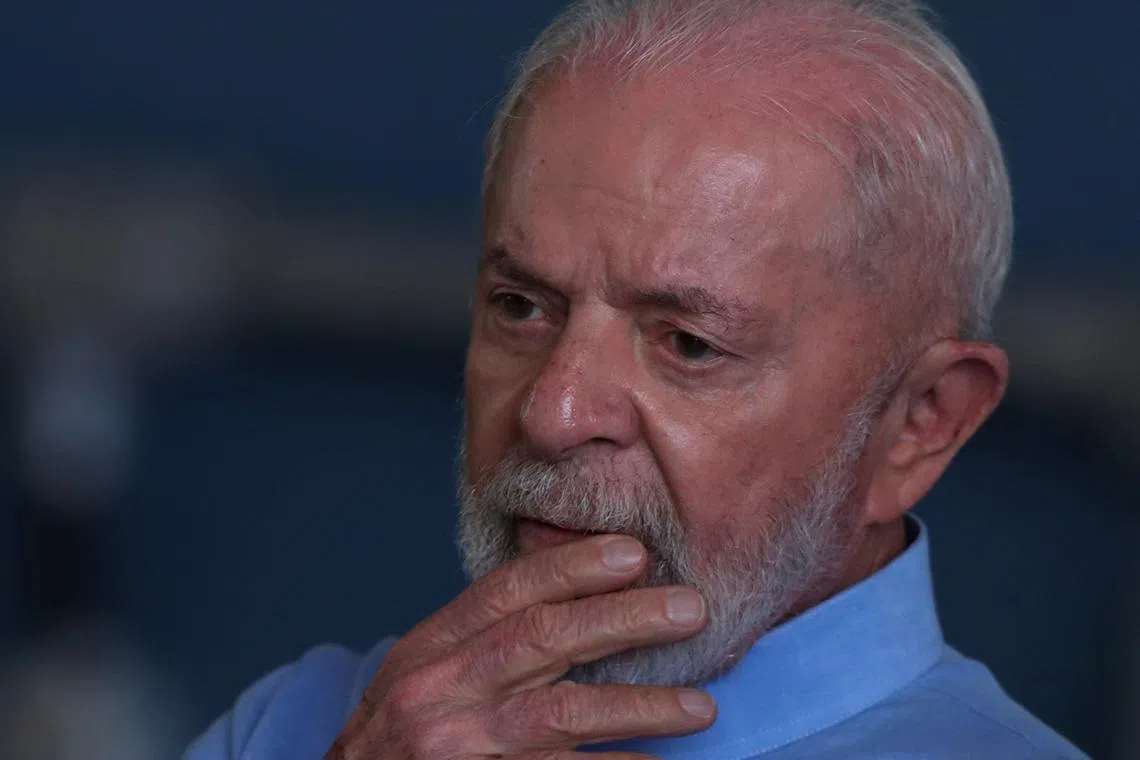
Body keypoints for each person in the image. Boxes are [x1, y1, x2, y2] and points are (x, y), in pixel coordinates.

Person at [186, 1, 1090, 758]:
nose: (553, 412)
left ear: (919, 424)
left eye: (689, 345)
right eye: (520, 306)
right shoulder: (297, 725)